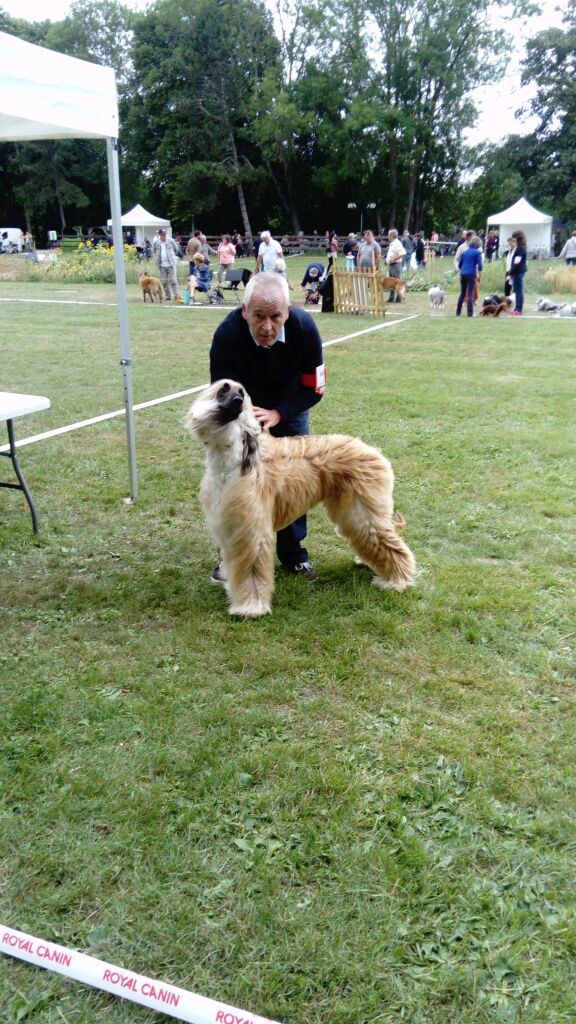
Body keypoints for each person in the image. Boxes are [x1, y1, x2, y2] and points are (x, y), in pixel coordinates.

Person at [209, 272, 325, 581]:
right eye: (258, 317)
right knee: (237, 483)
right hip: (240, 410)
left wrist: (279, 413)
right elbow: (220, 393)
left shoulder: (304, 329)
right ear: (245, 311)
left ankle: (293, 554)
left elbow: (315, 387)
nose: (267, 327)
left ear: (288, 312)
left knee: (291, 480)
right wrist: (247, 418)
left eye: (276, 316)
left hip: (288, 405)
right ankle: (231, 555)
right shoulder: (227, 336)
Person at [456, 235, 483, 317]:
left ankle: (458, 312)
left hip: (463, 274)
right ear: (478, 244)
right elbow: (480, 265)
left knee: (462, 293)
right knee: (470, 293)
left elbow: (460, 265)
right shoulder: (478, 252)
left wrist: (463, 270)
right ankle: (470, 313)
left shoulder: (465, 252)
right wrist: (479, 270)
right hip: (471, 274)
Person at [152, 228, 180, 301]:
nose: (164, 236)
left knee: (173, 281)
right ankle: (168, 296)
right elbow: (154, 251)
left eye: (165, 234)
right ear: (159, 235)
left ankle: (176, 295)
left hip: (171, 264)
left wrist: (172, 257)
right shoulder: (156, 243)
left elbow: (176, 249)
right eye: (162, 235)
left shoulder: (171, 241)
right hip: (161, 265)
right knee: (164, 282)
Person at [508, 230, 527, 315]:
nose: (513, 239)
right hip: (519, 271)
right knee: (518, 291)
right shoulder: (522, 246)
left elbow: (517, 262)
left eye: (514, 237)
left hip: (518, 272)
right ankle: (516, 308)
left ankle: (518, 309)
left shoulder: (520, 248)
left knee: (519, 291)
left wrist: (510, 273)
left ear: (517, 237)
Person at [385, 229, 406, 302]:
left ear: (391, 236)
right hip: (392, 265)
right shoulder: (392, 243)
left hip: (396, 265)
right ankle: (391, 298)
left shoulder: (397, 243)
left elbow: (403, 253)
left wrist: (393, 259)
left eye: (388, 235)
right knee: (391, 283)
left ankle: (398, 299)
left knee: (397, 283)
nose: (388, 236)